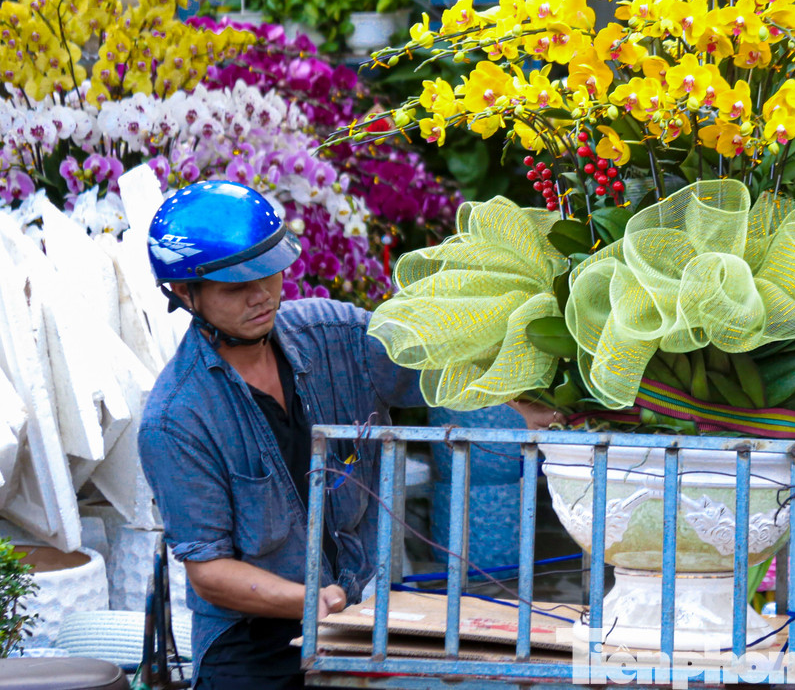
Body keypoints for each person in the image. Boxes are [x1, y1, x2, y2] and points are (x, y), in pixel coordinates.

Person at [137, 181, 555, 690]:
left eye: (269, 272)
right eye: (234, 287)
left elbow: (434, 361)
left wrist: (523, 396)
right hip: (251, 641)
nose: (261, 294)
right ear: (184, 292)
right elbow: (210, 572)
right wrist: (314, 600)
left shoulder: (335, 333)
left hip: (352, 617)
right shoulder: (175, 419)